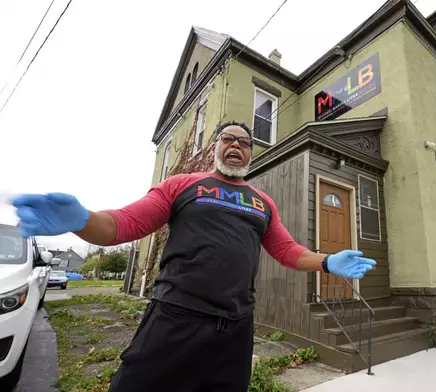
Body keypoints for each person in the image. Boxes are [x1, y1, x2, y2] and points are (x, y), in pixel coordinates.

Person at [11, 121, 376, 392]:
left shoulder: (263, 202)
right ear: (215, 146)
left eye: (244, 142)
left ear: (251, 152)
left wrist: (327, 261)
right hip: (174, 319)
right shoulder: (182, 185)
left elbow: (286, 250)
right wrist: (83, 221)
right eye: (228, 139)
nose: (236, 145)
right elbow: (122, 225)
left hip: (234, 328)